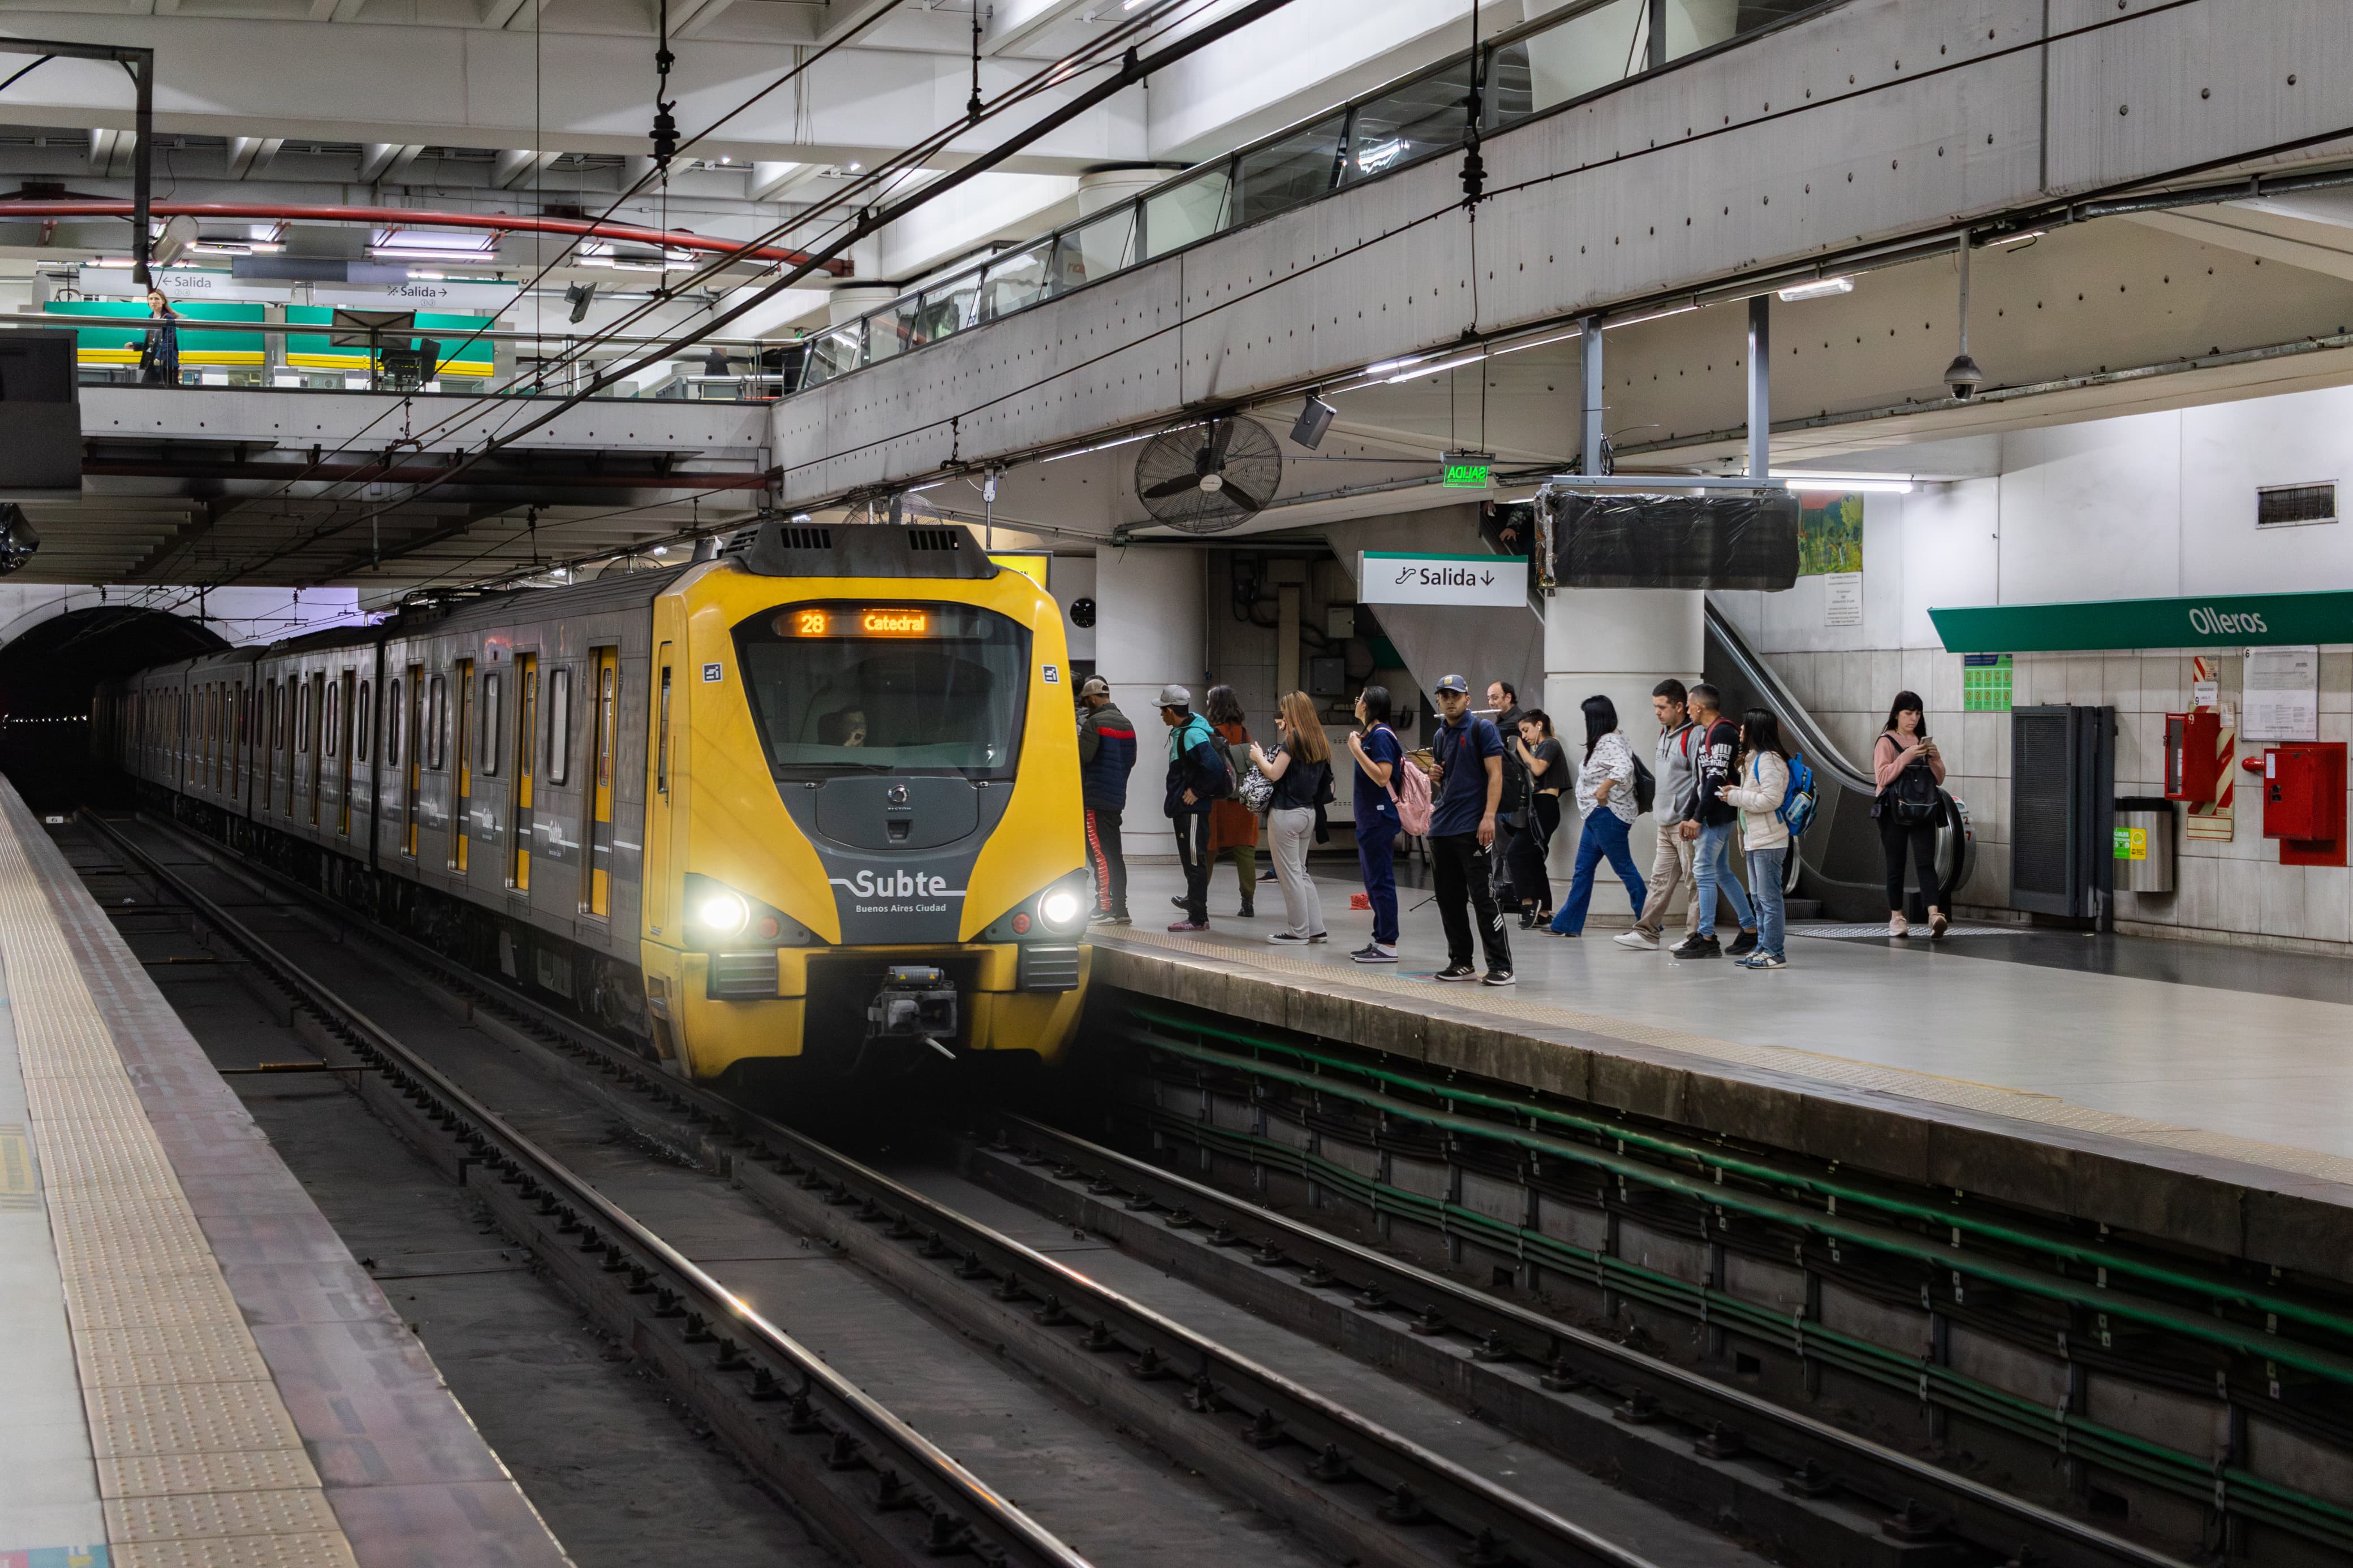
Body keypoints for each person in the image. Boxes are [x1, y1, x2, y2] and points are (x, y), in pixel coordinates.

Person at [1428, 673, 1514, 985]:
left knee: (1483, 897)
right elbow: (1448, 781)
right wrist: (1436, 774)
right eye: (1444, 696)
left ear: (1468, 699)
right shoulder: (1440, 736)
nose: (1450, 700)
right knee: (1449, 899)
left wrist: (1489, 817)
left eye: (1456, 695)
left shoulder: (1482, 728)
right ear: (1439, 700)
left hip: (1473, 828)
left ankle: (1501, 966)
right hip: (1442, 827)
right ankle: (1461, 961)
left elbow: (1495, 775)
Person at [1547, 696, 1648, 936]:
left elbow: (1624, 768)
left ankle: (1649, 923)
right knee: (1583, 870)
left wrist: (1602, 791)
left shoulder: (1609, 741)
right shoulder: (1612, 738)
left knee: (1624, 868)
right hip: (1597, 816)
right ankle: (1566, 925)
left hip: (1608, 816)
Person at [1671, 683, 1758, 960]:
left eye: (1688, 705)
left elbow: (1716, 778)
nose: (1687, 711)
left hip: (1717, 814)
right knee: (1720, 871)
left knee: (1703, 871)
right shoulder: (1711, 732)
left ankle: (1707, 936)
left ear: (1699, 706)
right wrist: (1690, 815)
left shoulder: (1722, 732)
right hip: (1713, 812)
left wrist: (1697, 818)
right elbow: (1702, 780)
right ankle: (1750, 928)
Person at [1617, 679, 1703, 950]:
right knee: (1659, 881)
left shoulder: (1694, 736)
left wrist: (1692, 817)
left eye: (1662, 707)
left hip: (1684, 823)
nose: (1657, 712)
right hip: (1665, 823)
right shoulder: (1665, 732)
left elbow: (1701, 781)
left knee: (1695, 881)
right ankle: (1647, 932)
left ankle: (1695, 937)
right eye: (1655, 707)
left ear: (1680, 706)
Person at [1247, 691, 1331, 945]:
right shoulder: (1318, 739)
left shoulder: (1293, 739)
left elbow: (1274, 773)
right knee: (1301, 872)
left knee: (1290, 874)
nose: (1282, 715)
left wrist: (1258, 757)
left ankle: (1298, 931)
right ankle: (1316, 929)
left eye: (1284, 711)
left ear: (1292, 712)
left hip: (1286, 813)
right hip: (1309, 813)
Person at [1718, 709, 1792, 969]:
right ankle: (1762, 947)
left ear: (1755, 730)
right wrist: (1736, 791)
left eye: (1744, 726)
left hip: (1770, 841)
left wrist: (1735, 797)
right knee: (1759, 898)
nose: (1740, 730)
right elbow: (1758, 794)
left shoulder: (1770, 760)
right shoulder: (1754, 758)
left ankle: (1775, 951)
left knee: (1769, 899)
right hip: (1756, 839)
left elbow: (1772, 800)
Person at [1873, 690, 1949, 938]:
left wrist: (1934, 757)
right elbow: (1882, 777)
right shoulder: (1886, 741)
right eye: (1908, 713)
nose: (1913, 718)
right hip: (1893, 810)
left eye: (1918, 713)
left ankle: (1934, 913)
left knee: (1926, 862)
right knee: (1896, 863)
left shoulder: (1921, 741)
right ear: (1896, 714)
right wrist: (1905, 757)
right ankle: (1896, 916)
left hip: (1923, 808)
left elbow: (1938, 778)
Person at [1344, 685, 1404, 963]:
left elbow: (1383, 776)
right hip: (1371, 818)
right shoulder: (1373, 735)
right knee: (1373, 880)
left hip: (1379, 818)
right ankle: (1381, 938)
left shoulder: (1380, 736)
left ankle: (1388, 942)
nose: (1356, 703)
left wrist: (1356, 750)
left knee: (1380, 880)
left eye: (1360, 699)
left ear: (1367, 706)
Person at [1159, 685, 1225, 931]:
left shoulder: (1192, 735)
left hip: (1193, 812)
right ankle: (1194, 902)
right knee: (1190, 860)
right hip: (1184, 810)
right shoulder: (1184, 729)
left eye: (1163, 710)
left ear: (1170, 710)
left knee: (1195, 861)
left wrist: (1197, 792)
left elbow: (1215, 768)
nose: (1161, 715)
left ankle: (1198, 917)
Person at [1076, 677, 1137, 925]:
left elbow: (1084, 758)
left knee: (1099, 855)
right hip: (1115, 796)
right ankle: (1121, 909)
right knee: (1114, 854)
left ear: (1091, 699)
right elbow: (1131, 760)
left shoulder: (1094, 723)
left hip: (1095, 798)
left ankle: (1105, 908)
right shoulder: (1126, 723)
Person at [1203, 685, 1260, 917]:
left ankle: (1199, 900)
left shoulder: (1210, 733)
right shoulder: (1244, 733)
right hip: (1243, 802)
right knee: (1245, 852)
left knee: (1208, 850)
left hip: (1219, 802)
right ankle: (1248, 903)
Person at [1508, 710, 1566, 926]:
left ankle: (1528, 902)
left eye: (1526, 730)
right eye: (1521, 732)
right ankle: (1544, 911)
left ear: (1539, 725)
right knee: (1533, 859)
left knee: (1515, 853)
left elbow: (1539, 769)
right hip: (1540, 808)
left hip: (1545, 807)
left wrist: (1519, 746)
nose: (1524, 736)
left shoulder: (1550, 744)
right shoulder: (1541, 748)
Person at [1486, 680, 1528, 913]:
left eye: (1495, 698)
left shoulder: (1514, 723)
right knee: (1497, 846)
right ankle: (1500, 889)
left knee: (1505, 846)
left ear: (1508, 698)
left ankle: (1510, 892)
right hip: (1501, 791)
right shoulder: (1501, 722)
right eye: (1490, 698)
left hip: (1509, 792)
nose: (1491, 702)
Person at [138, 288, 180, 387]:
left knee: (170, 390)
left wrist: (159, 356)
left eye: (157, 299)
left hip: (166, 361)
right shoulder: (150, 318)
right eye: (151, 299)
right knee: (145, 387)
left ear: (163, 301)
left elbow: (169, 341)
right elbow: (151, 343)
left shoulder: (168, 318)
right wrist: (136, 345)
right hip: (153, 361)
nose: (153, 302)